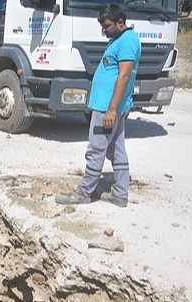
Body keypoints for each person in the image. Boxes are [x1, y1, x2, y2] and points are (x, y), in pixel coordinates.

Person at [55, 4, 140, 208]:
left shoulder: (128, 40)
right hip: (108, 105)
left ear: (121, 22)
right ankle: (120, 194)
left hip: (107, 108)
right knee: (116, 149)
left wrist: (111, 109)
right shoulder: (118, 39)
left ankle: (84, 192)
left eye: (108, 26)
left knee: (96, 148)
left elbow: (124, 75)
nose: (104, 30)